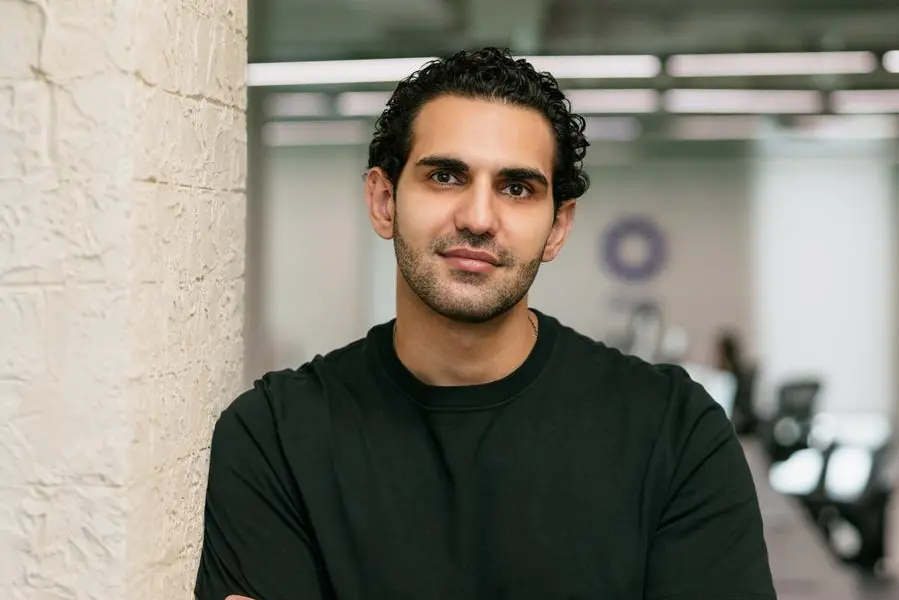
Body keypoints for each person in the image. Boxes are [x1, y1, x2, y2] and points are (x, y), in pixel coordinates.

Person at [195, 48, 776, 600]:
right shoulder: (275, 436)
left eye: (516, 188)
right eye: (445, 177)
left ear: (557, 228)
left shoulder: (674, 434)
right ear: (384, 201)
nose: (478, 218)